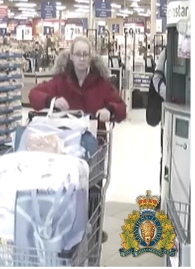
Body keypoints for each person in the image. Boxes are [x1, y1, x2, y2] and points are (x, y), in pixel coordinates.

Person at [28, 36, 127, 243]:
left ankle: (93, 231)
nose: (82, 58)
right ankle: (68, 230)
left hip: (94, 149)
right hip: (66, 151)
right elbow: (34, 95)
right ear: (71, 56)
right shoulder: (59, 82)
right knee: (67, 190)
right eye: (78, 54)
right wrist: (52, 100)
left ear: (91, 57)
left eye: (86, 54)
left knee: (93, 190)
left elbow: (121, 108)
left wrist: (109, 109)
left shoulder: (101, 85)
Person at [146, 47, 167, 210]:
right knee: (166, 156)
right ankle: (165, 195)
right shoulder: (169, 51)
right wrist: (169, 94)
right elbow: (157, 77)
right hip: (169, 116)